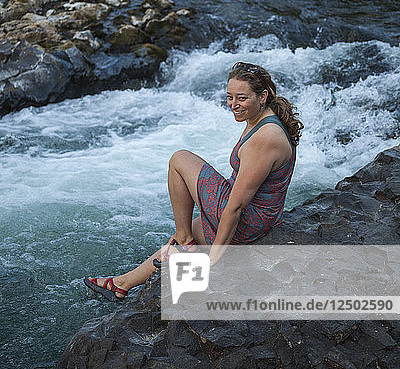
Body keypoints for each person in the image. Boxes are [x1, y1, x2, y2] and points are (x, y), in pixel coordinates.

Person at [84, 62, 303, 302]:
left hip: (250, 219)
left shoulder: (266, 137)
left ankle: (184, 239)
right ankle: (121, 284)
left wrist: (215, 257)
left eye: (241, 98)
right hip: (258, 216)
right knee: (188, 236)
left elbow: (236, 206)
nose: (233, 105)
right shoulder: (258, 118)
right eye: (229, 97)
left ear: (263, 96)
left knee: (179, 160)